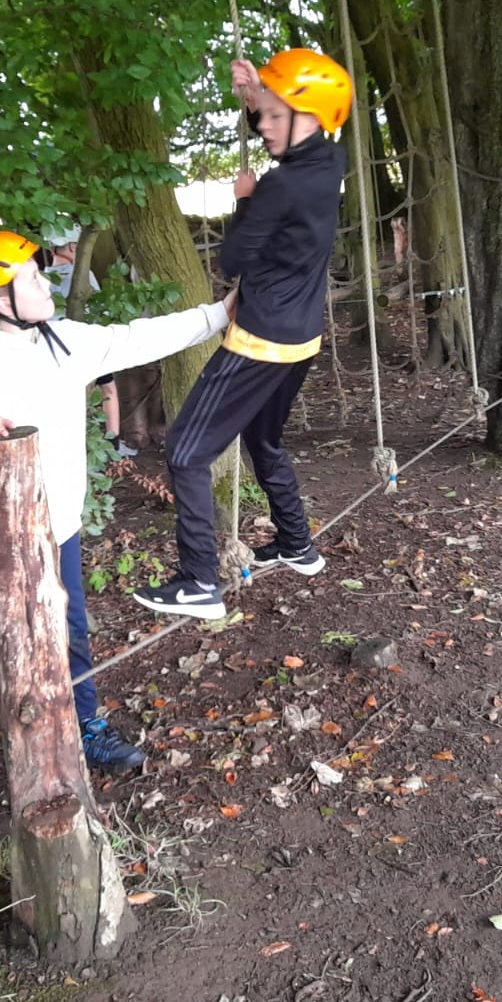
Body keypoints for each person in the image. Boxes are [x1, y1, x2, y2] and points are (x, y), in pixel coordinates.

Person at [0, 230, 235, 771]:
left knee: (66, 624)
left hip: (59, 518)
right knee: (39, 629)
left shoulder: (62, 339)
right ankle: (61, 735)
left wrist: (219, 314)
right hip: (11, 532)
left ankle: (75, 725)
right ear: (3, 304)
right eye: (31, 279)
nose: (45, 282)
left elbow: (138, 338)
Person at [132, 48, 350, 620]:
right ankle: (297, 544)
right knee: (263, 438)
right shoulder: (331, 161)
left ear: (310, 118)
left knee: (185, 451)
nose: (265, 126)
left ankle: (198, 582)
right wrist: (258, 96)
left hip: (259, 340)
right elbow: (292, 133)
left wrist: (245, 202)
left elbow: (233, 260)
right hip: (302, 337)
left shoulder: (279, 187)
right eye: (265, 114)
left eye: (277, 117)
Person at [41, 225, 138, 459]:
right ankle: (112, 445)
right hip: (87, 345)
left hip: (51, 349)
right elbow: (99, 313)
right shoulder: (84, 276)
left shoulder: (41, 279)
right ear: (73, 247)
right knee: (108, 389)